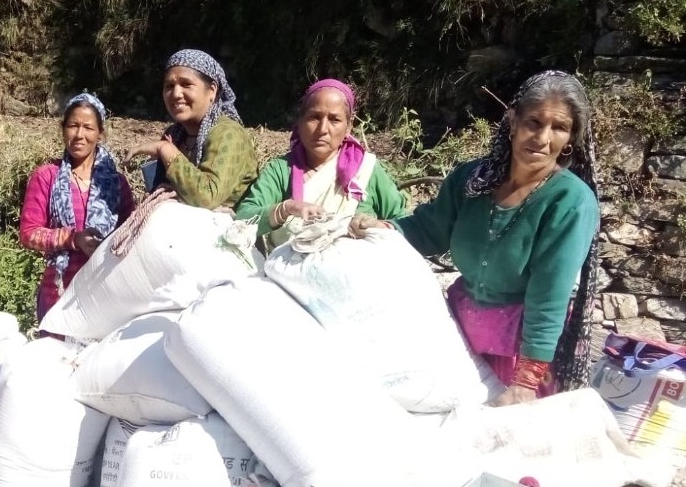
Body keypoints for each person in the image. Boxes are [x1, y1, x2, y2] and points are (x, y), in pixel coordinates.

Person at [350, 70, 600, 405]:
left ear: (571, 139)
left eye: (558, 127)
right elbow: (429, 230)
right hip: (457, 337)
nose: (542, 137)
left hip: (520, 354)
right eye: (533, 122)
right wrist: (385, 229)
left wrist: (525, 381)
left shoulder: (569, 201)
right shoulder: (473, 180)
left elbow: (549, 295)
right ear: (512, 122)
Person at [235, 78, 409, 252]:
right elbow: (243, 218)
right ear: (300, 122)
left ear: (348, 126)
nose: (322, 129)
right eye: (314, 117)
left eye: (335, 120)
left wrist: (380, 226)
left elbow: (405, 223)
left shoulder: (367, 170)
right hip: (285, 275)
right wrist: (286, 208)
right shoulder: (280, 170)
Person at [19, 93, 136, 321]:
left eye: (88, 128)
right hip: (59, 292)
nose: (79, 135)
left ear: (100, 134)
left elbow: (131, 233)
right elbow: (28, 233)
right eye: (73, 126)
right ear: (63, 129)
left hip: (105, 292)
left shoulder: (116, 183)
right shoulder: (46, 177)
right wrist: (73, 239)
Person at [126, 48, 258, 210]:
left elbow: (207, 197)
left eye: (186, 84)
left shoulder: (228, 133)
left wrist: (166, 149)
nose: (176, 94)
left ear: (212, 90)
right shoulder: (174, 134)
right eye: (169, 86)